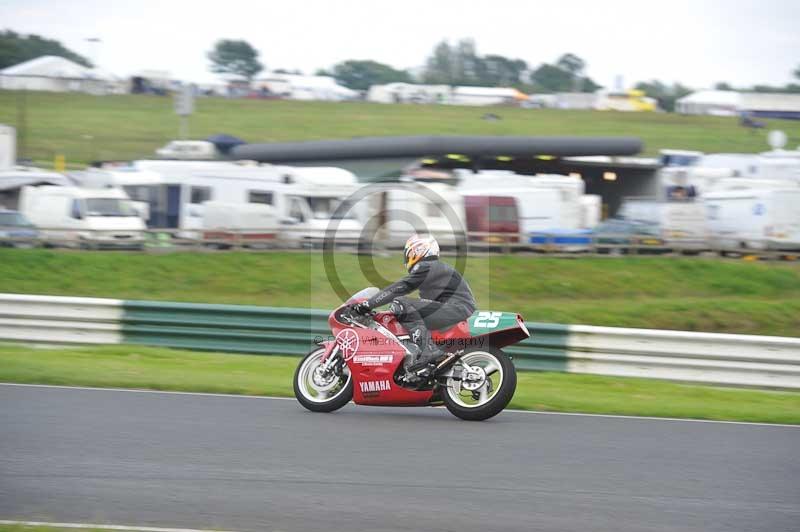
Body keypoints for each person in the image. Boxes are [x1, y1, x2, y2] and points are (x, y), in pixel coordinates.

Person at [349, 234, 477, 377]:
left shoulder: (428, 266)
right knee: (402, 310)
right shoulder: (435, 269)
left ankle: (428, 351)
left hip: (455, 307)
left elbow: (402, 286)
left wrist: (368, 304)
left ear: (417, 251)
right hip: (454, 308)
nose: (406, 259)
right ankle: (423, 362)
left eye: (407, 254)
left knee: (400, 302)